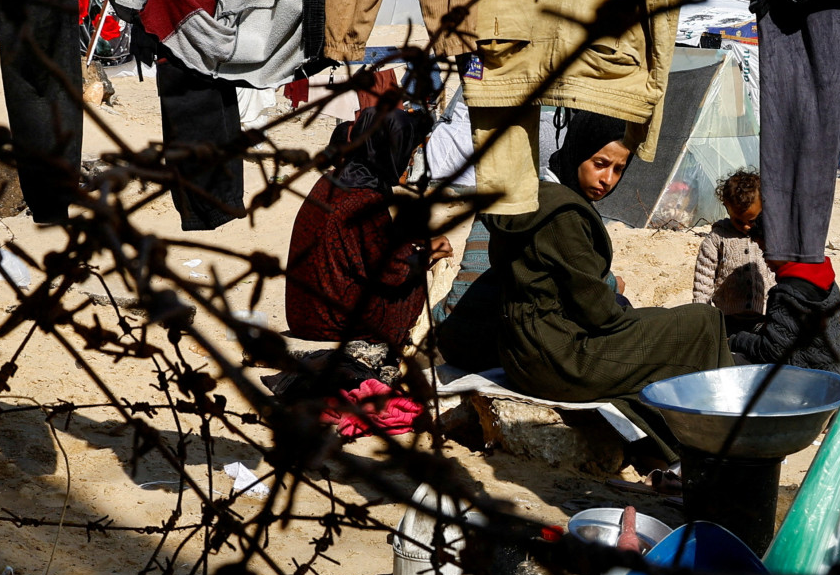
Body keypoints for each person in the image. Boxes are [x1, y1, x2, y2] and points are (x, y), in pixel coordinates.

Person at [485, 110, 731, 407]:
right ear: (578, 150)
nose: (607, 180)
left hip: (523, 355)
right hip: (560, 362)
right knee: (703, 322)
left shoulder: (533, 196)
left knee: (660, 323)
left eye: (618, 170)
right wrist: (641, 319)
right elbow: (599, 314)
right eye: (600, 164)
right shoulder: (562, 215)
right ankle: (720, 422)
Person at [283, 102, 449, 350]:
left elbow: (360, 246)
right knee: (416, 286)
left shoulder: (332, 179)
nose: (409, 159)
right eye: (408, 150)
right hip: (333, 320)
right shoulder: (366, 199)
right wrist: (429, 253)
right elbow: (393, 272)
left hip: (303, 314)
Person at [727, 252, 840, 373]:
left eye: (766, 250)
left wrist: (735, 341)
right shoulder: (826, 278)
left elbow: (772, 351)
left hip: (805, 376)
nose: (765, 259)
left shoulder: (785, 292)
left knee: (727, 361)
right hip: (831, 369)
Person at [694, 171, 769, 332]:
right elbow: (703, 281)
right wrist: (701, 318)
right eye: (739, 221)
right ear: (727, 208)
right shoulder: (717, 239)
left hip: (765, 317)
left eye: (752, 221)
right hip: (728, 319)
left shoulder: (768, 236)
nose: (746, 227)